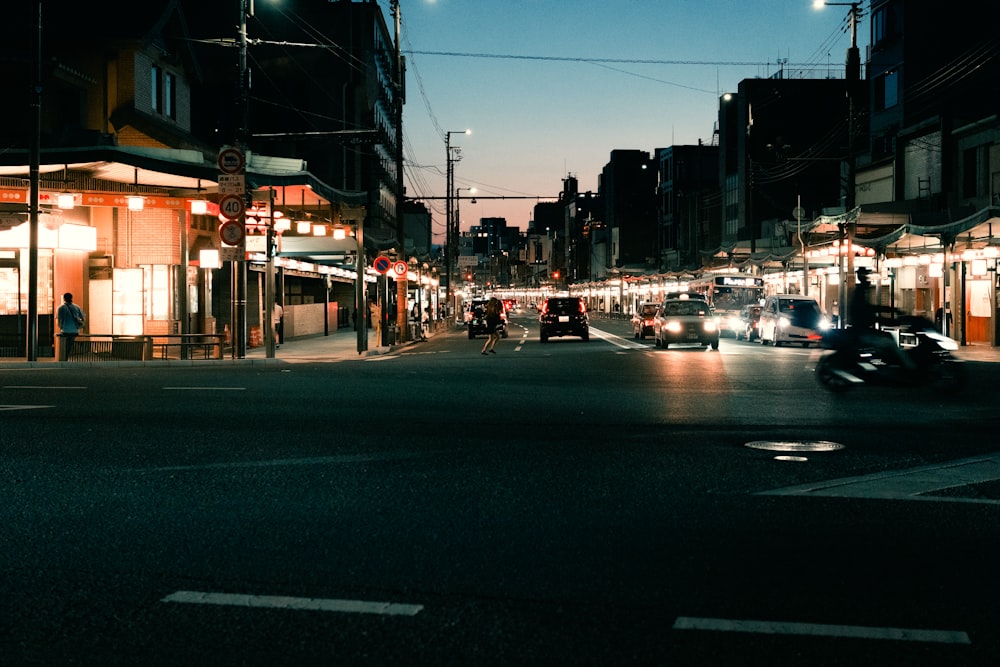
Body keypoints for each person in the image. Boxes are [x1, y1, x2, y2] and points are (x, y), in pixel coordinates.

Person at [848, 268, 912, 369]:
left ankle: (890, 363)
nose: (868, 279)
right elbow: (869, 312)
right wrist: (890, 318)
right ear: (861, 277)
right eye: (866, 276)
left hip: (863, 330)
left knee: (887, 336)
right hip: (862, 332)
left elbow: (872, 309)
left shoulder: (860, 292)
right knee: (890, 343)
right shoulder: (860, 294)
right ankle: (909, 368)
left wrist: (892, 312)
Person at [56, 292, 85, 360]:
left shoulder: (60, 308)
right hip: (74, 330)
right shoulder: (77, 307)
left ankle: (64, 358)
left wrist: (61, 327)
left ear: (64, 298)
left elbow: (59, 320)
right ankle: (68, 355)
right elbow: (82, 317)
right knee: (70, 344)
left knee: (64, 346)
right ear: (71, 298)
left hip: (65, 331)